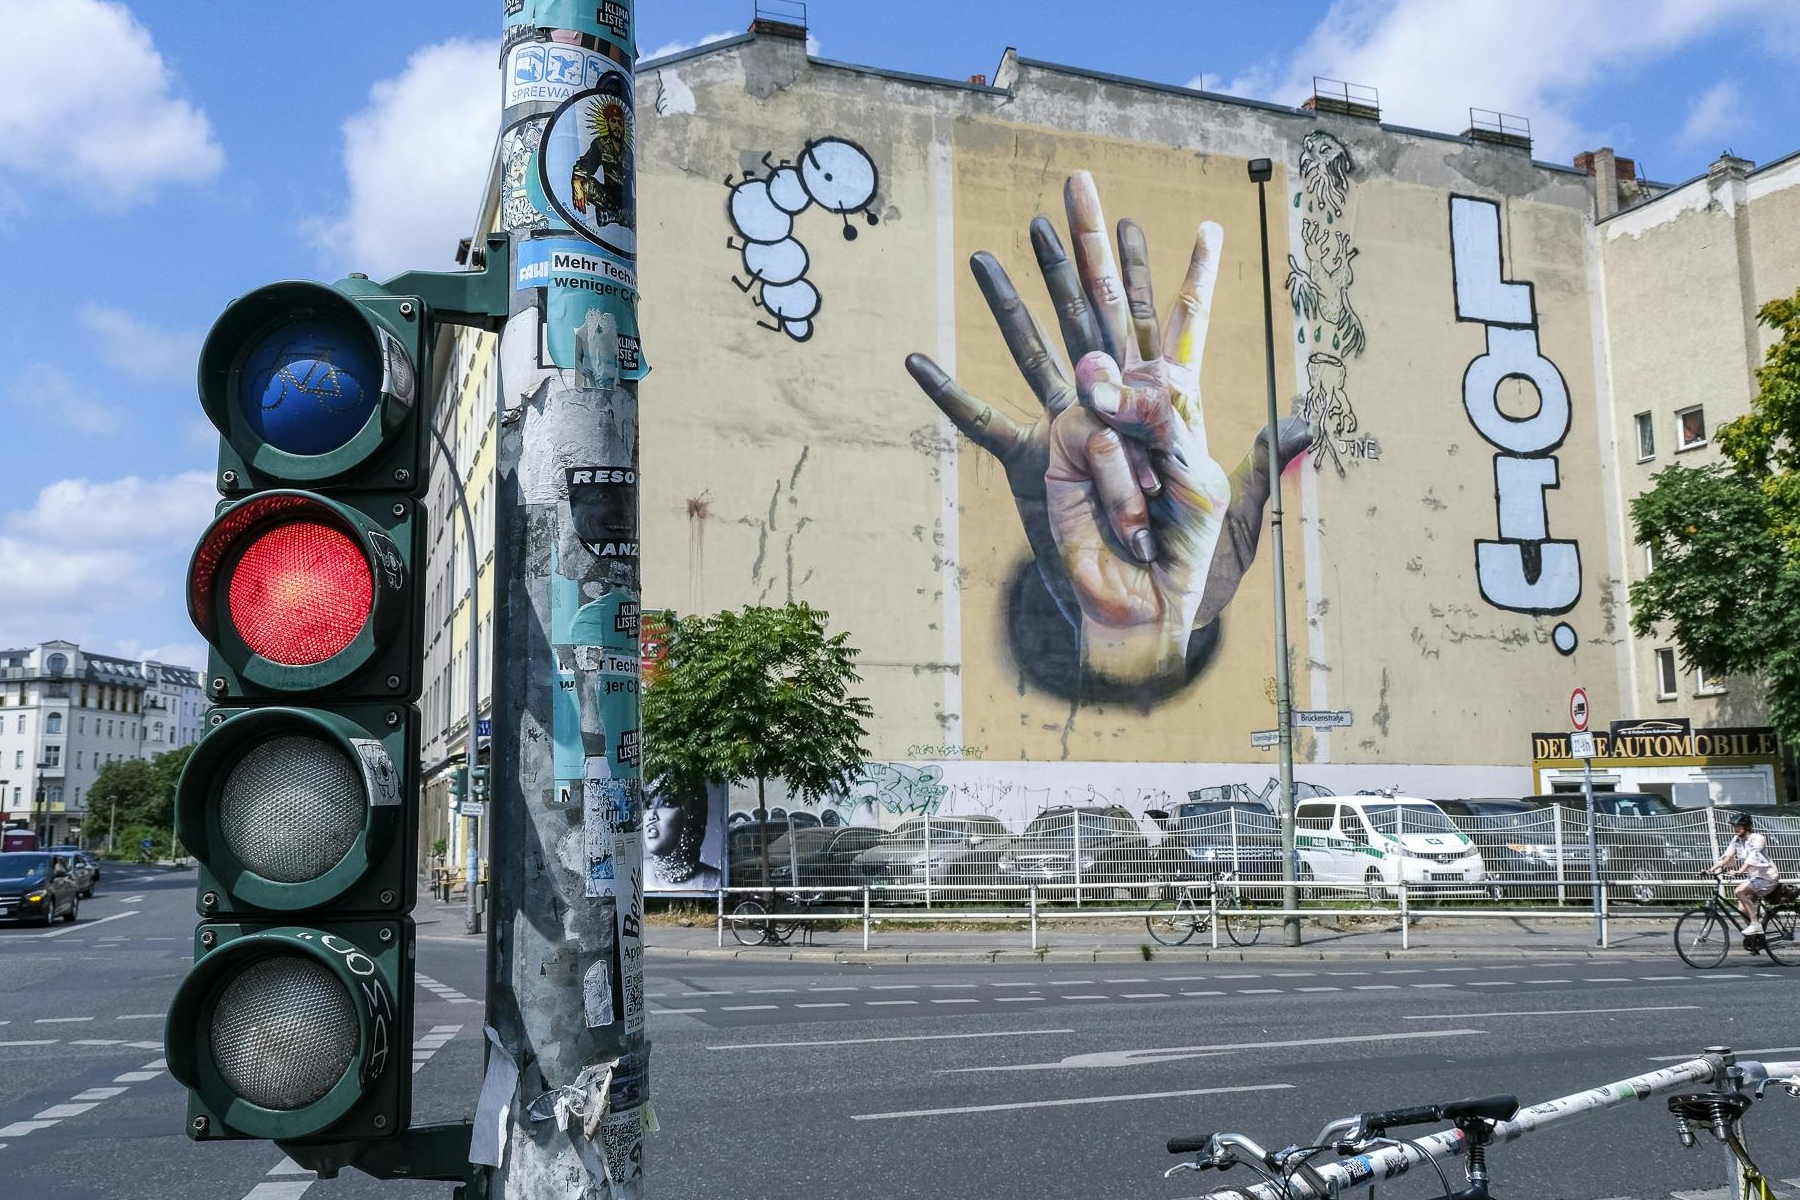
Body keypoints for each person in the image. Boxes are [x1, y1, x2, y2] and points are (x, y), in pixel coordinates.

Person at [1706, 812, 1780, 934]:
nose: (1736, 829)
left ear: (1747, 827)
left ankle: (1756, 925)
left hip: (1767, 877)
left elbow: (1753, 856)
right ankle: (1755, 935)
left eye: (1739, 826)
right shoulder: (1736, 840)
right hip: (1754, 878)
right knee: (1741, 907)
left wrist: (1740, 871)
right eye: (1734, 826)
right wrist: (1711, 870)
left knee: (1739, 891)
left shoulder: (1758, 838)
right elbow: (1727, 856)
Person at [643, 785, 721, 891]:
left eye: (667, 803)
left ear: (690, 815)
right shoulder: (634, 874)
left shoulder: (715, 881)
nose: (652, 815)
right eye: (649, 805)